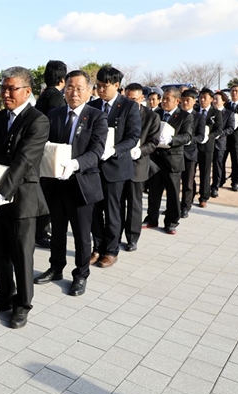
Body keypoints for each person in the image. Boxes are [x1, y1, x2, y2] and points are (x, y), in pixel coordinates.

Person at [0, 66, 49, 329]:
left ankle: (23, 304)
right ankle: (3, 296)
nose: (6, 93)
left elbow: (24, 161)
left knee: (21, 253)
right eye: (3, 87)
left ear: (27, 91)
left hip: (22, 197)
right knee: (0, 252)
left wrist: (1, 194)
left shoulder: (37, 120)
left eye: (12, 88)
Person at [34, 70, 108, 296]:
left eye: (79, 88)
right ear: (63, 89)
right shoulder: (54, 114)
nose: (73, 92)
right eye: (69, 88)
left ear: (88, 91)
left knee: (81, 235)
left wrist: (74, 164)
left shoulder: (97, 117)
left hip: (81, 185)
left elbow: (96, 151)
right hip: (55, 185)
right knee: (56, 230)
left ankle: (81, 274)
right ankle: (56, 268)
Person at [88, 66, 141, 268]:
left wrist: (114, 150)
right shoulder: (93, 106)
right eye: (98, 86)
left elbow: (133, 136)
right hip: (93, 167)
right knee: (94, 210)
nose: (100, 90)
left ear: (117, 86)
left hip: (115, 167)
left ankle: (111, 250)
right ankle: (97, 247)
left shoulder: (129, 106)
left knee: (112, 211)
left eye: (105, 86)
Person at [142, 87, 193, 235]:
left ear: (177, 101)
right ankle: (151, 218)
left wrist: (172, 139)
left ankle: (171, 222)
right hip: (155, 158)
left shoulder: (185, 116)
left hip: (173, 159)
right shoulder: (156, 113)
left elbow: (187, 136)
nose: (164, 101)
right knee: (154, 191)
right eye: (163, 98)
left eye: (167, 99)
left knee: (172, 192)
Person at [122, 83, 159, 252]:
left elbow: (153, 141)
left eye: (134, 100)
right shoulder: (120, 113)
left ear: (141, 98)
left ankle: (132, 237)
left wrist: (139, 151)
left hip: (138, 164)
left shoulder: (151, 117)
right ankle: (114, 235)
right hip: (118, 164)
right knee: (117, 204)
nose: (130, 103)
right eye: (127, 99)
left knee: (135, 204)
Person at [34, 60, 67, 250]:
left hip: (40, 148)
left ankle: (40, 230)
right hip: (49, 151)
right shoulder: (56, 98)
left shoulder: (43, 95)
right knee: (48, 193)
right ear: (62, 80)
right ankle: (42, 232)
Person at [195, 88, 223, 208]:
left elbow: (219, 129)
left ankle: (204, 197)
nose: (202, 100)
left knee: (205, 172)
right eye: (200, 97)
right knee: (189, 172)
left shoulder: (216, 113)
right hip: (193, 146)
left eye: (205, 98)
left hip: (207, 146)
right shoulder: (195, 111)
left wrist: (209, 136)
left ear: (211, 99)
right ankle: (189, 194)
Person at [179, 89, 205, 218]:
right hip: (175, 154)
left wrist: (188, 140)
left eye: (188, 100)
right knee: (174, 182)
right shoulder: (176, 115)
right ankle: (173, 207)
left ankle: (185, 206)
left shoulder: (199, 117)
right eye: (183, 100)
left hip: (190, 153)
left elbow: (200, 137)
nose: (185, 102)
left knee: (188, 182)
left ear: (194, 101)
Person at [210, 91, 235, 198]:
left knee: (218, 165)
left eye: (217, 99)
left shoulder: (229, 114)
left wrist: (219, 134)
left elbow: (230, 128)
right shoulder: (209, 112)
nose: (214, 101)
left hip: (220, 143)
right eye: (213, 99)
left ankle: (215, 187)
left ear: (223, 101)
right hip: (207, 143)